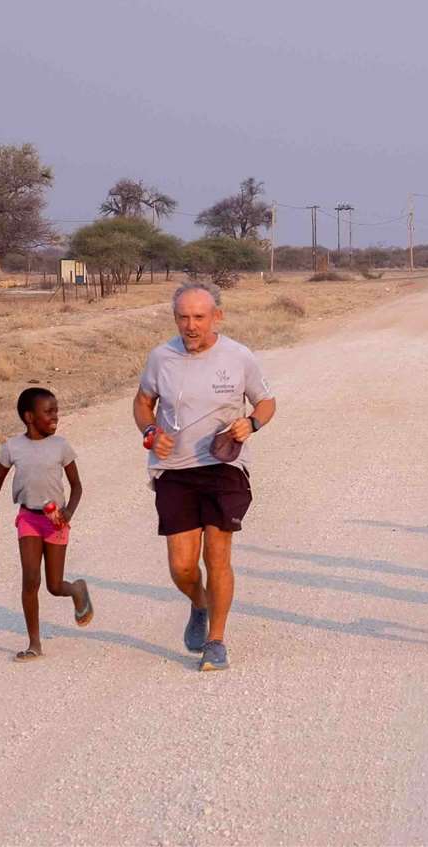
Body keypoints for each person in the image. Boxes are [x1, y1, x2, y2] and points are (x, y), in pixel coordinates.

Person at [133, 282, 276, 672]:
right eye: (183, 317)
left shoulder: (238, 356)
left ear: (217, 316)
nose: (191, 326)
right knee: (181, 566)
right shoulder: (161, 357)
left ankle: (216, 640)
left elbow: (265, 401)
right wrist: (150, 433)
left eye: (199, 317)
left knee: (218, 556)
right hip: (175, 471)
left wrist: (251, 423)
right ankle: (198, 603)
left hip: (223, 465)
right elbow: (144, 402)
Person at [0, 386, 91, 662]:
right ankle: (34, 643)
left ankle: (76, 589)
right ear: (29, 417)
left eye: (56, 411)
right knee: (31, 580)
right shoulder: (12, 447)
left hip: (56, 521)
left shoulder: (61, 446)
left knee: (54, 586)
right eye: (48, 412)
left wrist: (69, 512)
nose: (55, 416)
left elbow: (77, 486)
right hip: (28, 518)